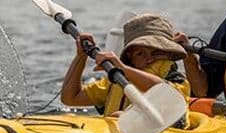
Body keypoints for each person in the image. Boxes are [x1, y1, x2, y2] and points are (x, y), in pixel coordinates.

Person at [61, 13, 191, 122]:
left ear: (168, 53)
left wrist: (124, 69)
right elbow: (70, 98)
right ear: (130, 56)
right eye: (140, 53)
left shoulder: (178, 81)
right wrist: (80, 57)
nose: (150, 59)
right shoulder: (115, 81)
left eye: (157, 52)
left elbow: (165, 93)